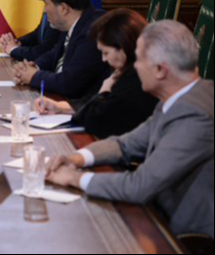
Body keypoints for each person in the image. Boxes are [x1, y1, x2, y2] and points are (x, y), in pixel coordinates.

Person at [46, 20, 214, 240]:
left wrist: (73, 178)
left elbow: (140, 185)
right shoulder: (182, 96)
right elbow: (126, 144)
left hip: (185, 237)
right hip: (158, 214)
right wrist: (75, 158)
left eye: (140, 59)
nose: (135, 66)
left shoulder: (194, 116)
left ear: (160, 70)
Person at [35, 9, 158, 138]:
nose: (104, 59)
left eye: (106, 52)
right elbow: (91, 102)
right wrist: (60, 107)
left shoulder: (138, 79)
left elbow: (94, 121)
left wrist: (103, 92)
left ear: (123, 48)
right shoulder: (125, 70)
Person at [13, 0, 109, 100]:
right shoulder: (75, 23)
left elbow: (69, 83)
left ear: (63, 9)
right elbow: (55, 53)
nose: (45, 10)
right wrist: (34, 67)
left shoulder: (93, 32)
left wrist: (34, 76)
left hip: (81, 105)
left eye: (46, 4)